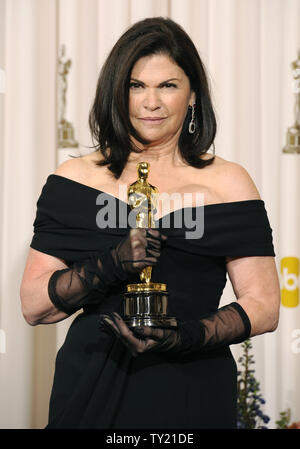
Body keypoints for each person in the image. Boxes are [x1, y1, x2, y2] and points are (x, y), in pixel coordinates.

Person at [20, 17, 280, 429]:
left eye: (168, 85)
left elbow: (264, 306)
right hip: (93, 381)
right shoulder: (75, 180)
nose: (150, 102)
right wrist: (113, 263)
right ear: (116, 92)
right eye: (136, 85)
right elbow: (35, 306)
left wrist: (187, 336)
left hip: (194, 383)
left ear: (192, 94)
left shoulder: (229, 181)